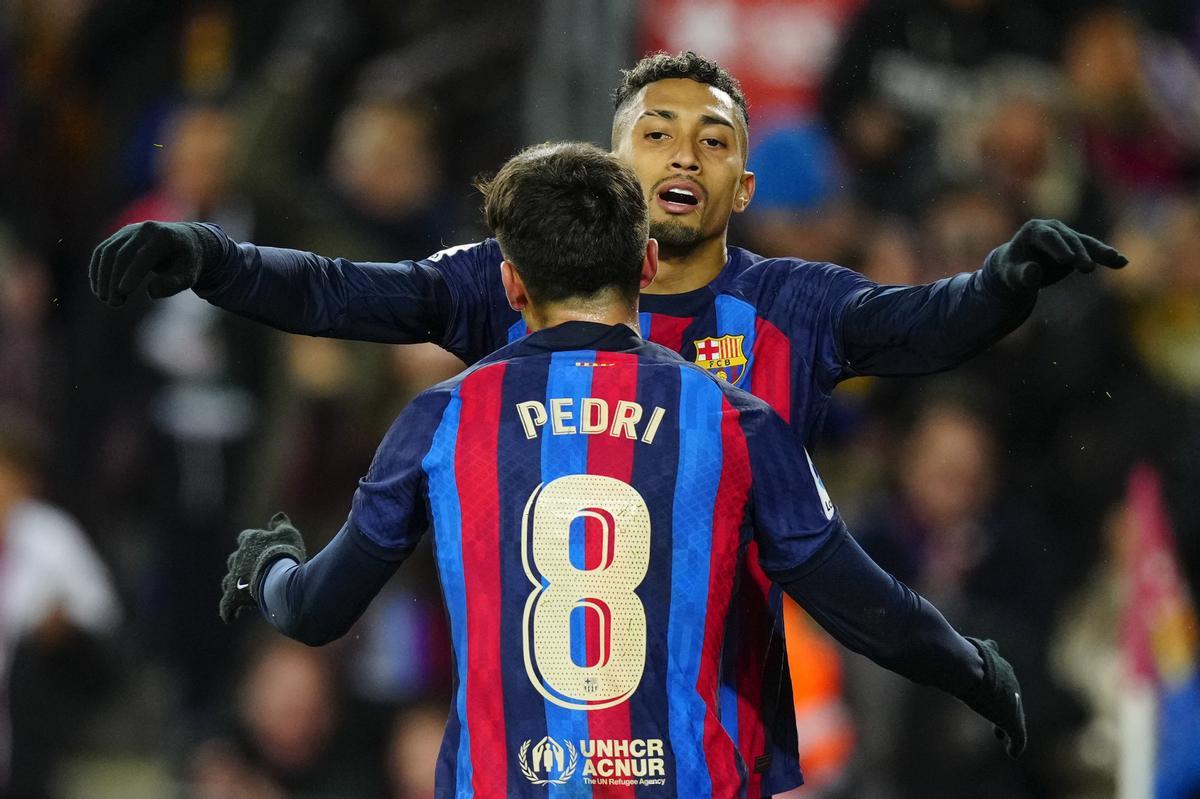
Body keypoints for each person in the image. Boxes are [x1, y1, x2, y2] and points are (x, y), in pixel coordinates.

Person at [89, 52, 1122, 797]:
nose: (685, 150)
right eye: (658, 131)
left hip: (613, 737)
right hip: (685, 756)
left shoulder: (790, 306)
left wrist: (1001, 282)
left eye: (713, 137)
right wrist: (218, 259)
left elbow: (930, 323)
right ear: (615, 168)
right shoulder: (723, 410)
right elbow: (343, 290)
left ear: (743, 185)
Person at [217, 141, 1024, 799]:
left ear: (508, 281)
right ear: (645, 262)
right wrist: (973, 667)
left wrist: (273, 569)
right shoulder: (736, 420)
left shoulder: (442, 418)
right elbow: (864, 606)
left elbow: (319, 612)